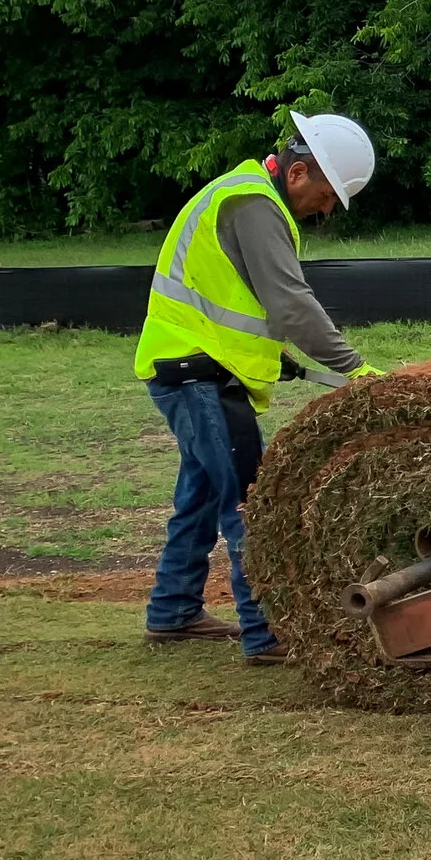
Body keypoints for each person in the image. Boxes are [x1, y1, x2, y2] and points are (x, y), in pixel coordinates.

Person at [134, 111, 382, 665]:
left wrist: (280, 358)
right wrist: (354, 370)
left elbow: (236, 298)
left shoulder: (244, 195)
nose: (326, 210)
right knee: (249, 501)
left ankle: (172, 611)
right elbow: (290, 303)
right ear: (298, 175)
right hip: (198, 375)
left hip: (192, 368)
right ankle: (266, 634)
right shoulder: (254, 205)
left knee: (201, 495)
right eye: (325, 196)